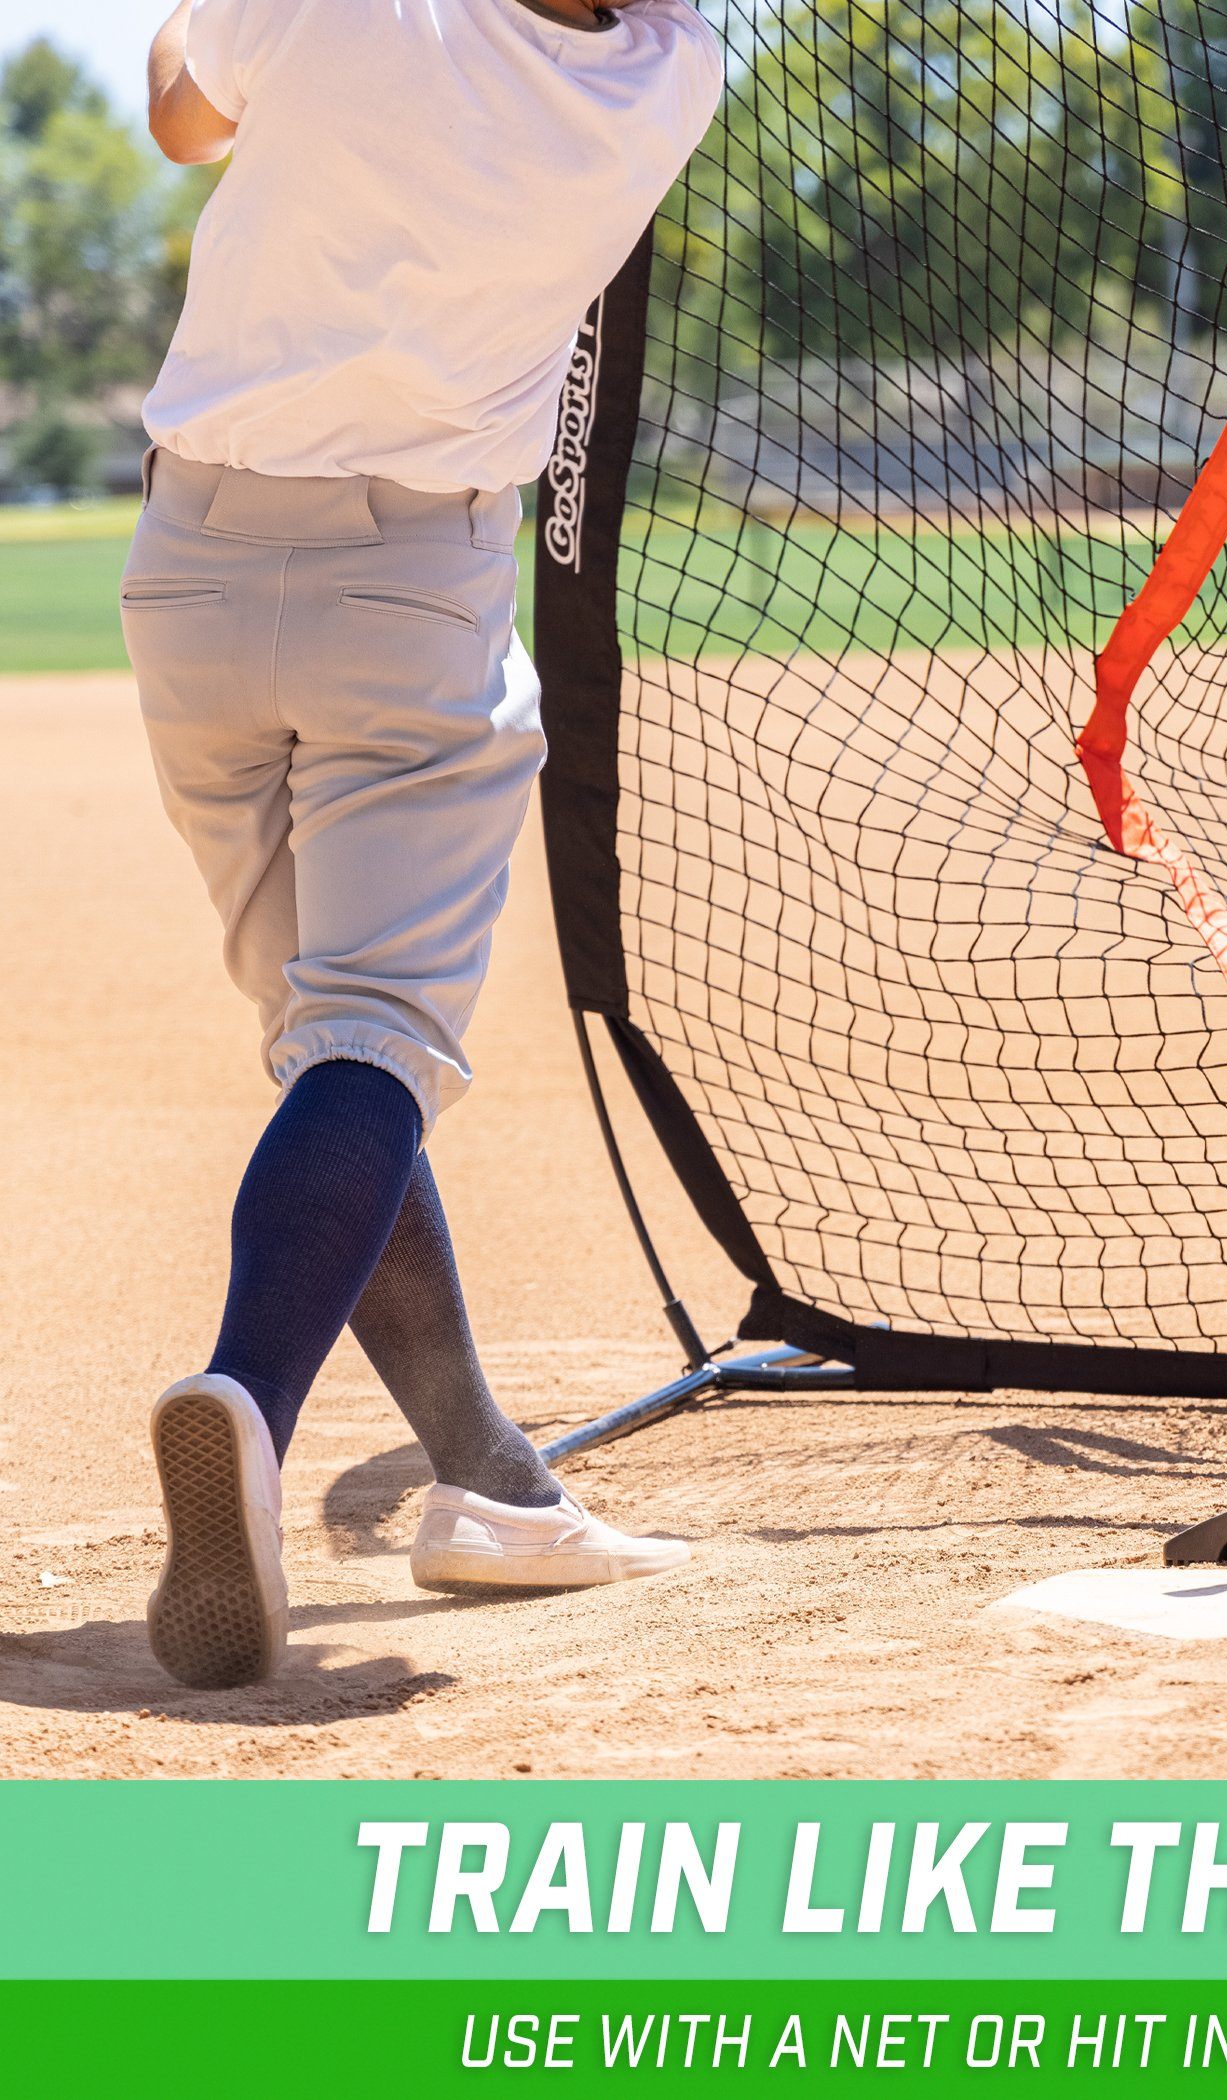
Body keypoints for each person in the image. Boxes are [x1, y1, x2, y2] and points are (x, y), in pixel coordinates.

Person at [129, 0, 724, 1689]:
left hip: (189, 577)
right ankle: (247, 1396)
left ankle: (490, 1482)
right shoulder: (669, 75)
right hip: (412, 594)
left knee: (333, 1052)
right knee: (372, 1043)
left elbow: (182, 117)